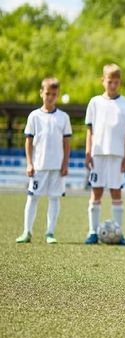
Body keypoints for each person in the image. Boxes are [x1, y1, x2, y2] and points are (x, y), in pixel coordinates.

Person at [84, 64, 125, 245]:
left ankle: (119, 233)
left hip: (117, 155)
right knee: (96, 191)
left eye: (116, 82)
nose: (112, 85)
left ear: (120, 82)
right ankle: (92, 232)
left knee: (116, 192)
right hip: (98, 154)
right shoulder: (94, 102)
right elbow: (89, 129)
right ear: (103, 81)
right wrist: (88, 151)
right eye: (109, 81)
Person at [16, 78, 72, 244]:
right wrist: (29, 163)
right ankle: (27, 232)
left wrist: (65, 164)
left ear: (57, 96)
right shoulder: (34, 116)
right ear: (41, 93)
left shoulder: (63, 117)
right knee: (32, 197)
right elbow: (28, 141)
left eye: (54, 94)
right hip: (38, 166)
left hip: (57, 166)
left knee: (54, 198)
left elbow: (67, 142)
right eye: (47, 93)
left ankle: (50, 232)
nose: (50, 97)